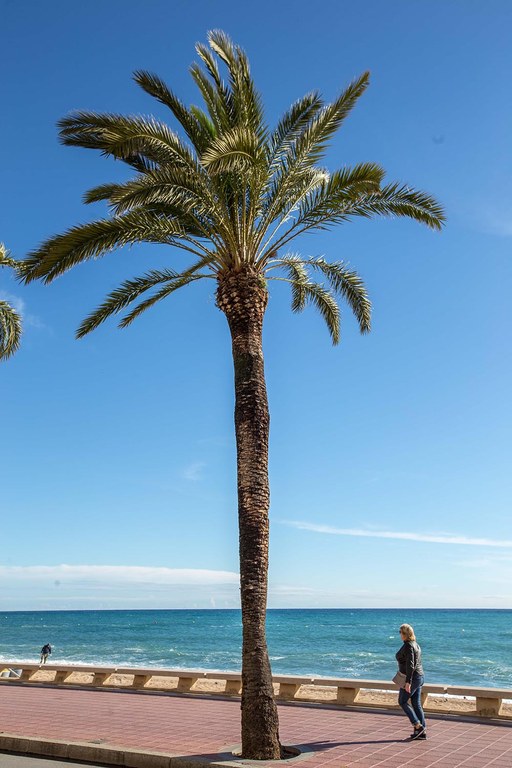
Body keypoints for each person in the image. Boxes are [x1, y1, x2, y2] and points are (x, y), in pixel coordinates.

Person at [395, 623, 426, 740]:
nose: (400, 635)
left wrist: (408, 682)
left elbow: (410, 665)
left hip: (413, 678)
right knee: (416, 704)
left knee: (402, 701)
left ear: (405, 634)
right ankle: (421, 732)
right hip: (420, 677)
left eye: (401, 632)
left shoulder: (408, 645)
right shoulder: (416, 645)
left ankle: (418, 725)